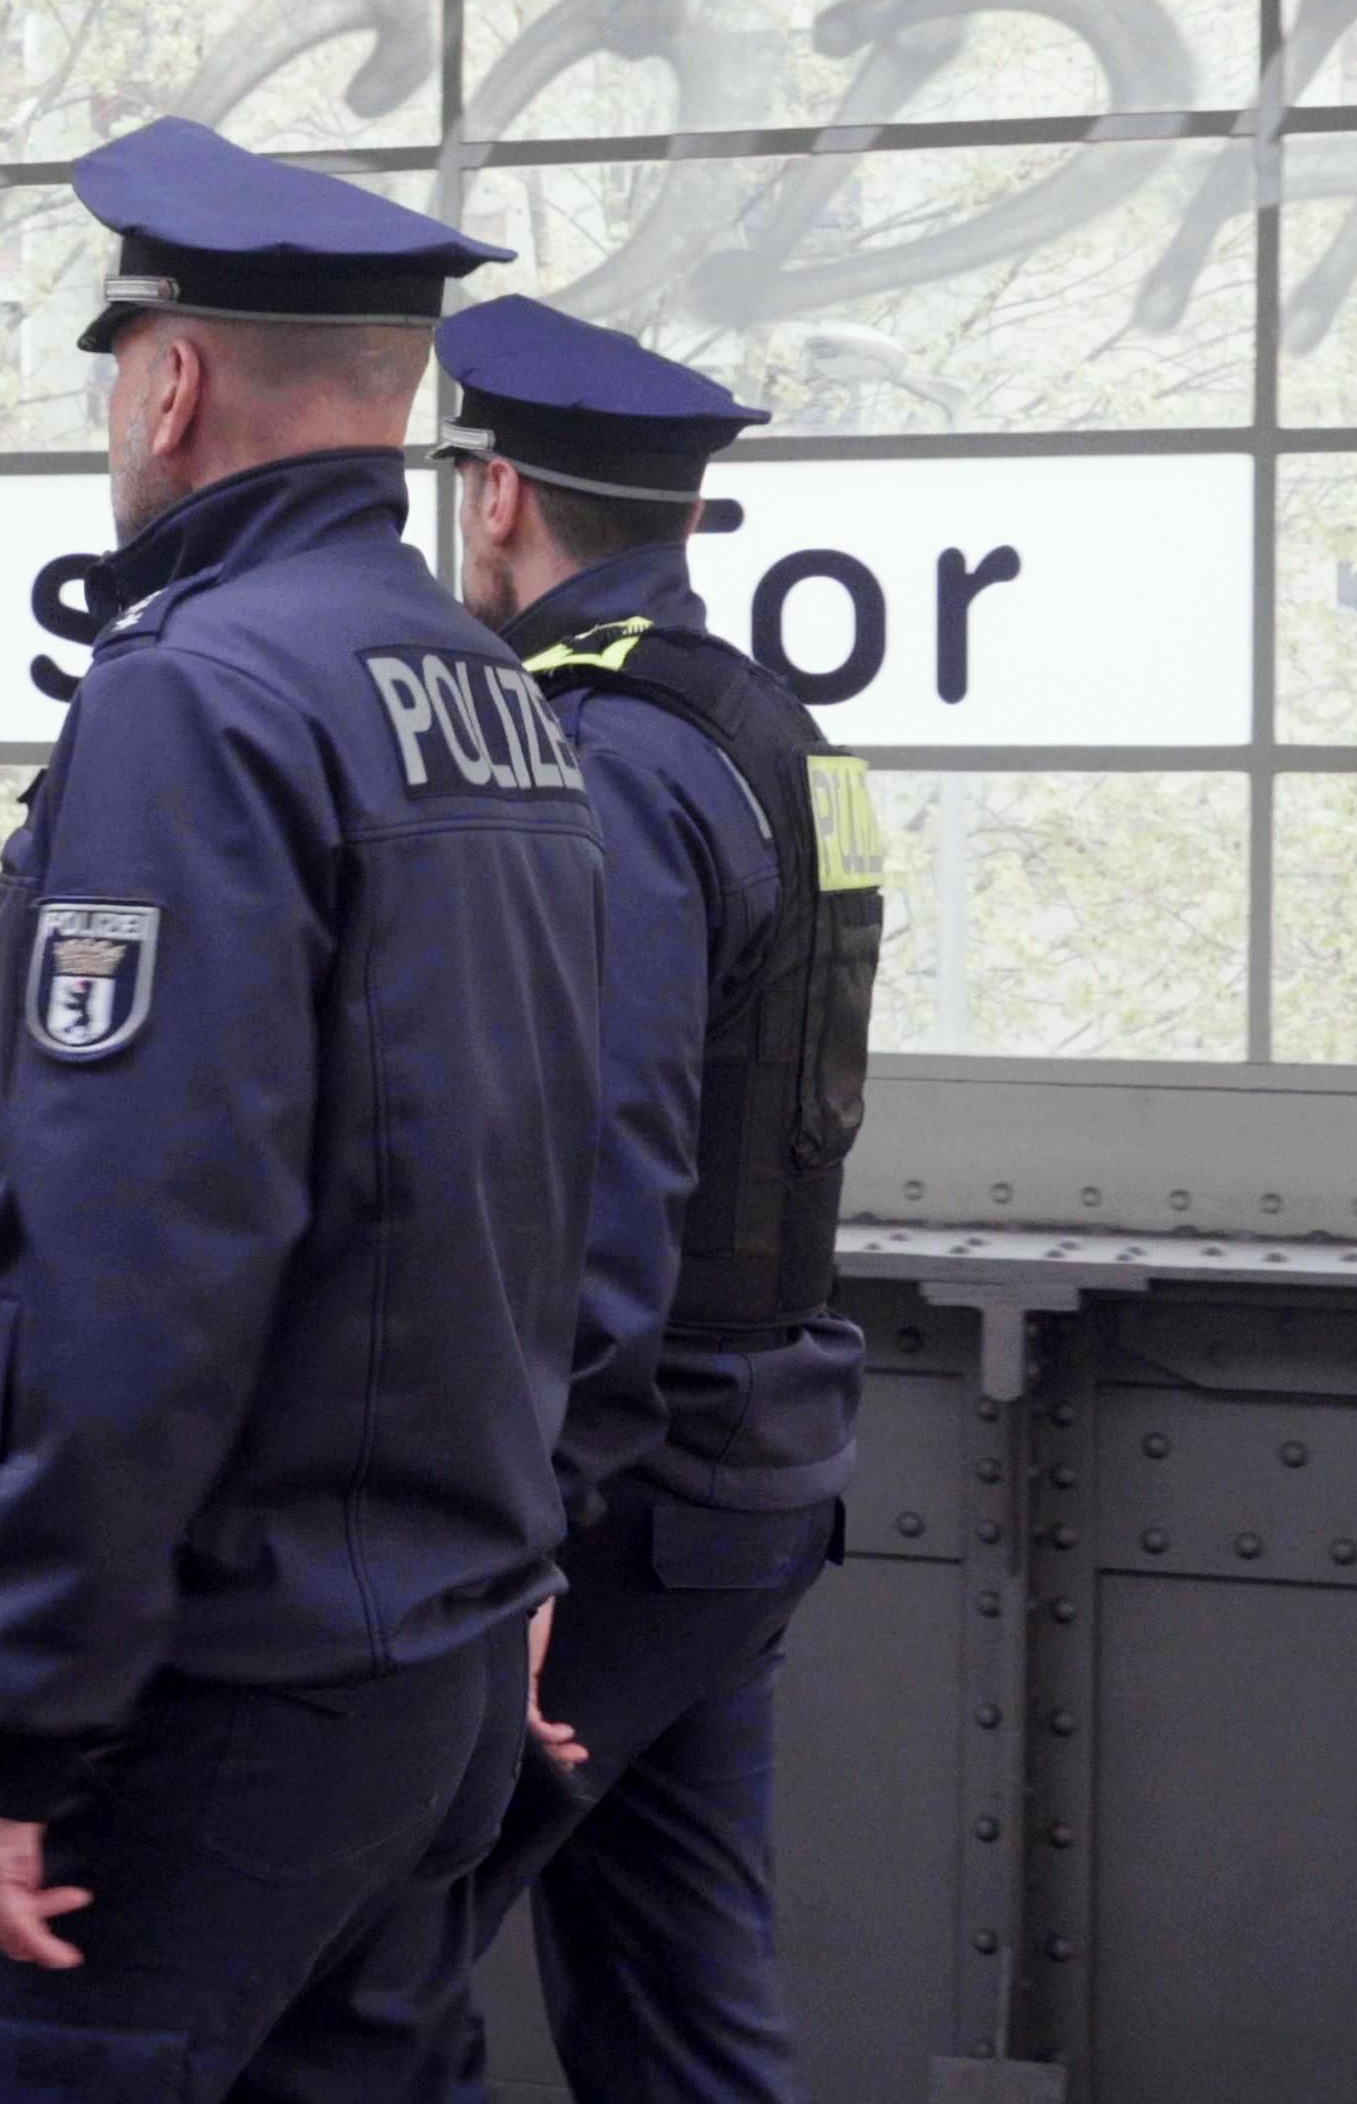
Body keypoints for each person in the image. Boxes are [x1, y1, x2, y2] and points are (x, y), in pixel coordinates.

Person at [0, 117, 611, 2104]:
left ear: (173, 381)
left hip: (232, 1693)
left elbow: (140, 1254)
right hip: (438, 1668)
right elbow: (570, 1174)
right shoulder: (493, 698)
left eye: (121, 368)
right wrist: (525, 1561)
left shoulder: (197, 696)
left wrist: (24, 1728)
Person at [427, 294, 885, 2104]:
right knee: (679, 2021)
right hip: (747, 1467)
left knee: (351, 1964)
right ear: (688, 514)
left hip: (623, 1497)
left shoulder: (600, 751)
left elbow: (602, 1164)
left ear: (497, 495)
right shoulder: (770, 727)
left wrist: (529, 1531)